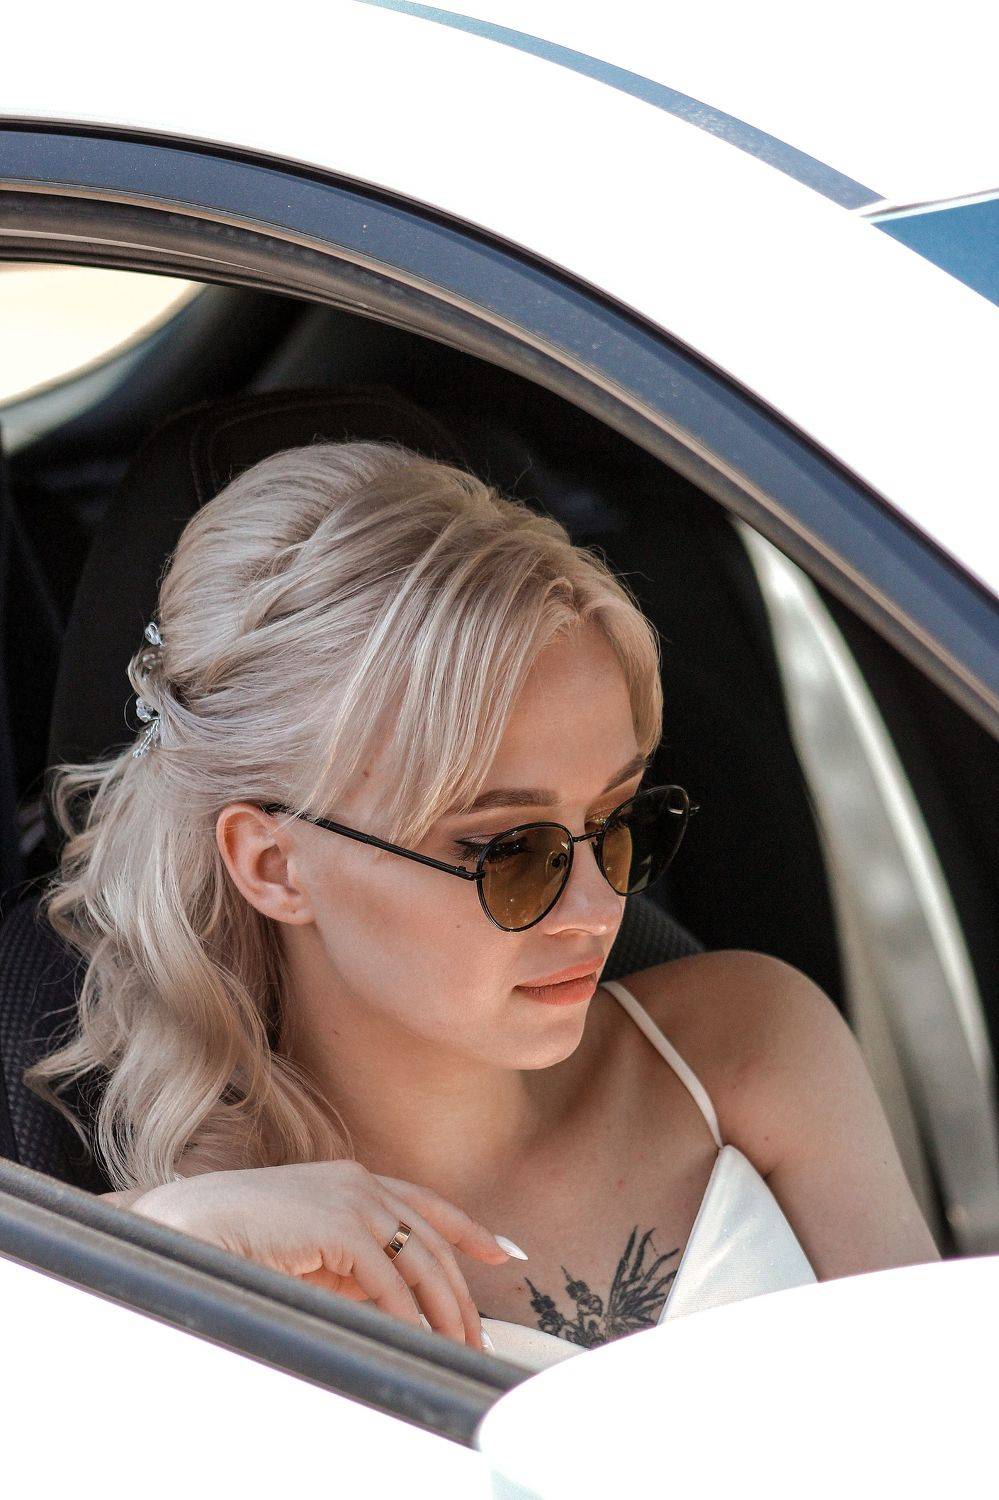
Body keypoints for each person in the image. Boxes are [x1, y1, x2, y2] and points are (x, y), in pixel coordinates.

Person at [27, 440, 939, 1369]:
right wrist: (158, 1238)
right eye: (510, 851)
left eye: (618, 822)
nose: (597, 908)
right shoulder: (190, 1258)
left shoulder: (755, 1046)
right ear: (273, 867)